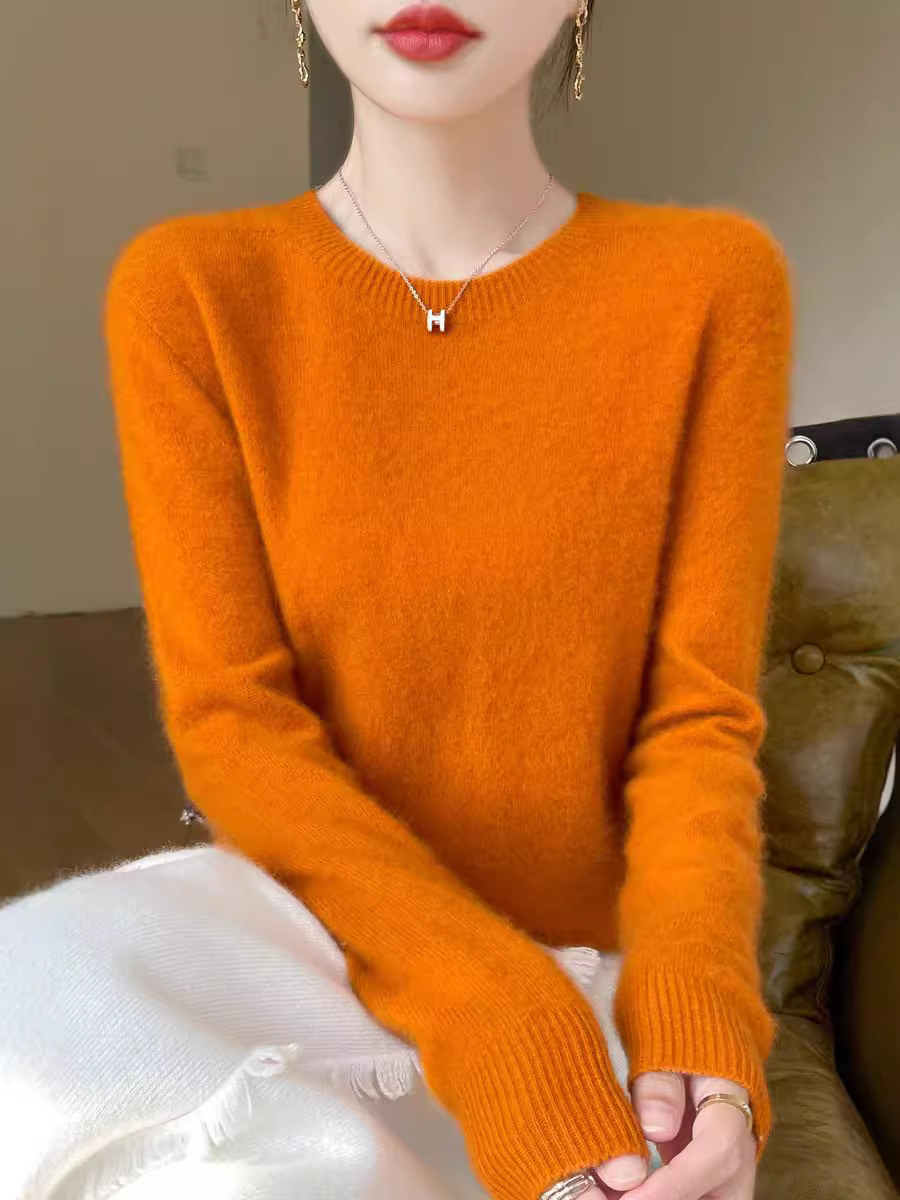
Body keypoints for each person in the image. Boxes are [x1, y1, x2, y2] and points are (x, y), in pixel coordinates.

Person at [0, 2, 792, 1199]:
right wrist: (493, 1009)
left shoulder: (712, 282)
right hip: (313, 946)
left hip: (596, 976)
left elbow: (699, 718)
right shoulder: (191, 289)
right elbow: (234, 724)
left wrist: (698, 1017)